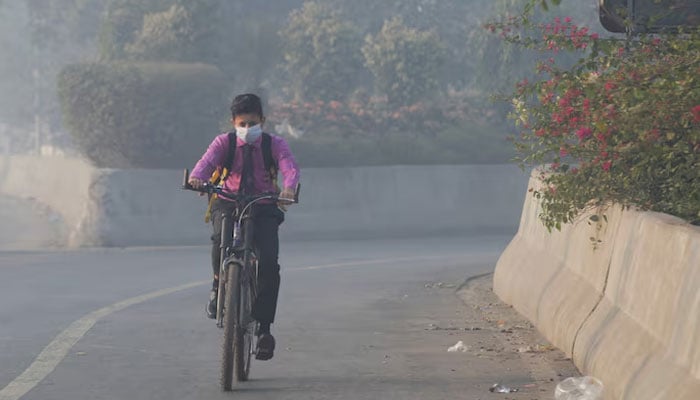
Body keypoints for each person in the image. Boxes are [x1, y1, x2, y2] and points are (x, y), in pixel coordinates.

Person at [188, 93, 300, 361]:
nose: (248, 129)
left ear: (262, 120)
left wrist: (288, 187)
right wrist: (196, 178)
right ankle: (218, 288)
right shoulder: (223, 143)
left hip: (264, 204)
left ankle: (263, 329)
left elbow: (290, 167)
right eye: (243, 123)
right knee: (219, 241)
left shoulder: (274, 144)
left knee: (269, 264)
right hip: (227, 201)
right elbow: (205, 164)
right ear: (233, 122)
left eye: (253, 123)